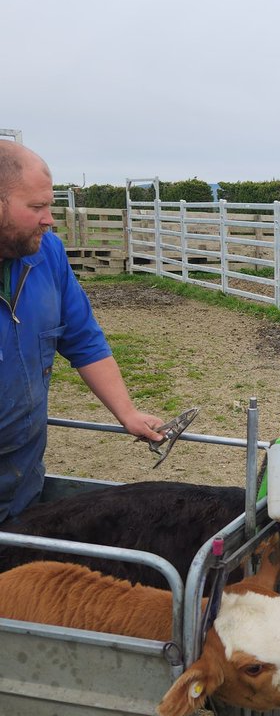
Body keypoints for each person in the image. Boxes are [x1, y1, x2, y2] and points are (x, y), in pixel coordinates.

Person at [0, 144, 165, 523]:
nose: (50, 220)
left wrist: (127, 412)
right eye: (37, 207)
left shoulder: (47, 254)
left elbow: (83, 339)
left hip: (21, 474)